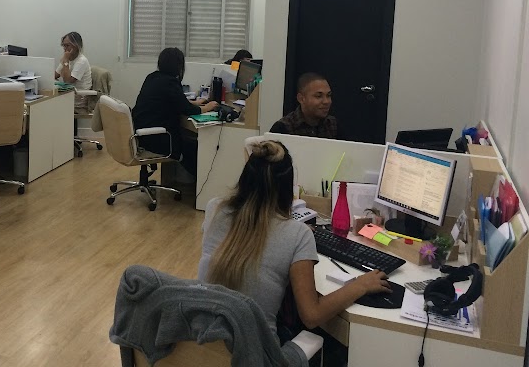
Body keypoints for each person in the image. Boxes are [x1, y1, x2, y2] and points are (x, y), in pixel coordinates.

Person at [198, 139, 390, 341]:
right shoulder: (297, 235)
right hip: (254, 351)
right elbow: (312, 316)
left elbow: (253, 232)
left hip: (201, 343)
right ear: (287, 190)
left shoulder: (214, 209)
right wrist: (360, 285)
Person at [132, 47, 218, 177]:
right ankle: (202, 183)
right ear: (178, 66)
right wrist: (208, 107)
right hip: (157, 139)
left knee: (188, 141)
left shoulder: (152, 77)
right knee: (194, 147)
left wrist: (195, 102)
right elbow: (188, 110)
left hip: (143, 135)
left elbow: (174, 102)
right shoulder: (170, 82)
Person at [270, 72, 338, 138]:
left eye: (328, 95)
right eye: (318, 96)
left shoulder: (332, 124)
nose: (326, 101)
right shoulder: (282, 128)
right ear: (301, 99)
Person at [54, 31, 93, 111]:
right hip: (69, 94)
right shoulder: (68, 58)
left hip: (79, 97)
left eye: (67, 45)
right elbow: (55, 75)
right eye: (64, 46)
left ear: (76, 46)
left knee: (49, 104)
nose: (65, 49)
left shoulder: (81, 61)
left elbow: (68, 81)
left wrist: (65, 61)